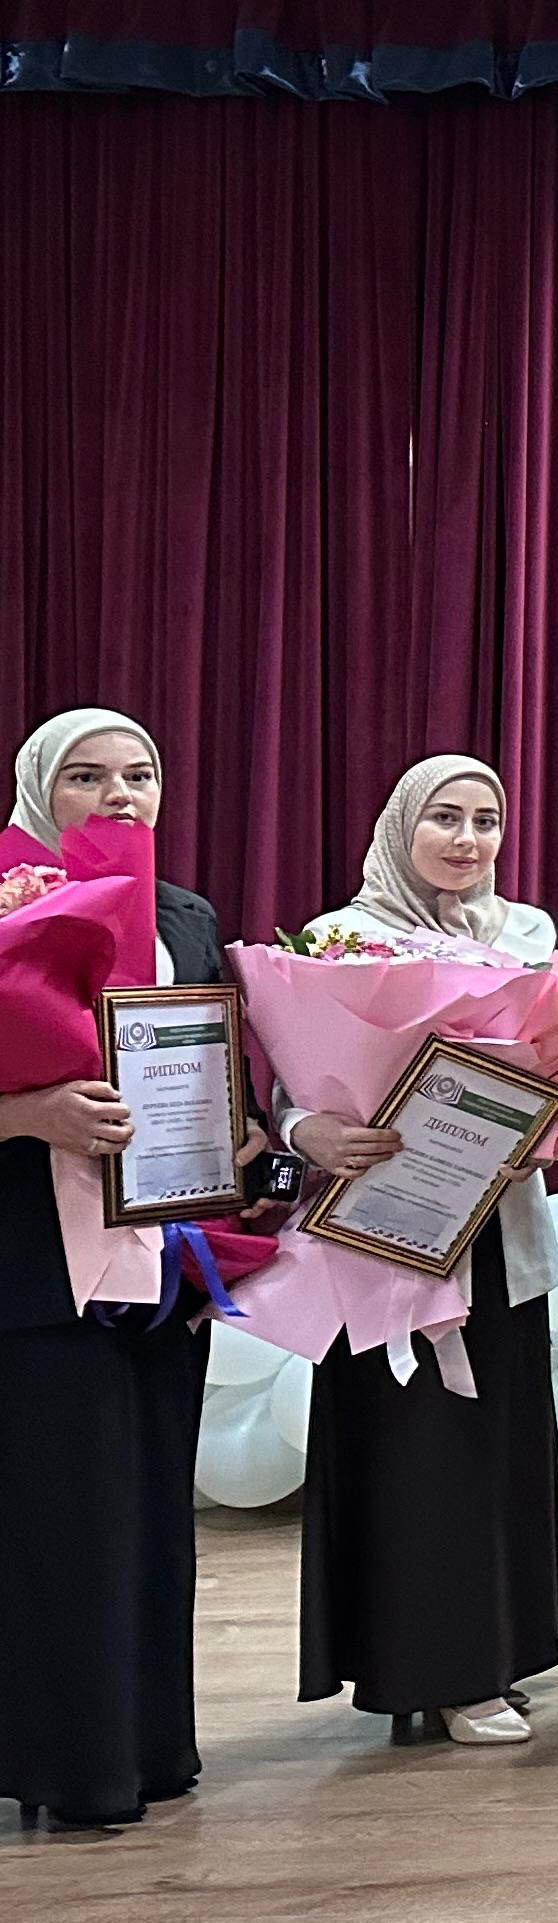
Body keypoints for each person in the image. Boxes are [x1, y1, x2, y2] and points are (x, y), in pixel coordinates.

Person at [287, 755, 558, 1745]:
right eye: (444, 818)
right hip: (387, 1241)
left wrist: (546, 1130)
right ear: (399, 827)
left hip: (496, 1230)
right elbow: (288, 1087)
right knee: (412, 1453)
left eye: (485, 820)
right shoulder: (341, 941)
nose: (467, 839)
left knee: (491, 1447)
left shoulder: (524, 937)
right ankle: (436, 1670)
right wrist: (309, 1134)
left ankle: (495, 1650)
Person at [0, 710, 227, 1825]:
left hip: (164, 1260)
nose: (118, 795)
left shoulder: (187, 916)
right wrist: (26, 1114)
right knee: (58, 1520)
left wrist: (229, 1162)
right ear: (39, 791)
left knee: (149, 1514)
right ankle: (65, 1768)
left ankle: (149, 1750)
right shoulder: (7, 905)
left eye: (139, 773)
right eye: (86, 777)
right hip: (34, 1264)